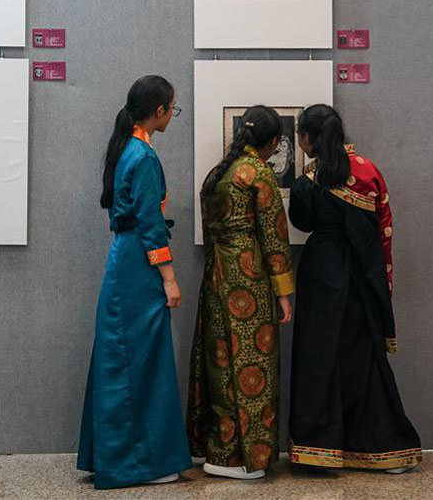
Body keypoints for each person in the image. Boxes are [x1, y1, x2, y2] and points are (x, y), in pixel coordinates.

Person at [287, 104, 422, 473]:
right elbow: (384, 228)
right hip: (362, 278)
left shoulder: (308, 182)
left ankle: (318, 449)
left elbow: (301, 222)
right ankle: (383, 449)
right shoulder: (368, 171)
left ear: (309, 138)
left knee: (319, 357)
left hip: (321, 275)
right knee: (364, 361)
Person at [77, 75, 191, 489]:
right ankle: (140, 462)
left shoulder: (127, 148)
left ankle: (118, 455)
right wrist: (170, 278)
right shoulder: (142, 156)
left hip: (123, 260)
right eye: (172, 109)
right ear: (159, 110)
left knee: (124, 356)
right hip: (139, 265)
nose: (173, 116)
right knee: (142, 361)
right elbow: (150, 224)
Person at [186, 105, 294, 480]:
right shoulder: (258, 174)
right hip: (249, 280)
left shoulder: (218, 173)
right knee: (252, 363)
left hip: (216, 277)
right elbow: (274, 237)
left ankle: (215, 446)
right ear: (274, 142)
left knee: (218, 360)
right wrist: (283, 292)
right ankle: (244, 458)